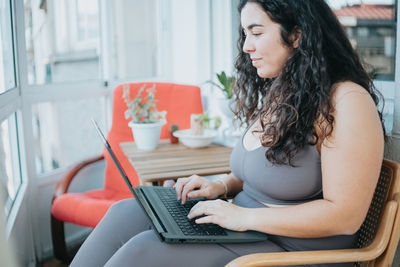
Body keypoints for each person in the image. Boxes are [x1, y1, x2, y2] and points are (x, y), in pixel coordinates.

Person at [70, 0, 385, 266]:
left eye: (256, 33)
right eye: (245, 33)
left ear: (297, 35)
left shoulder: (347, 101)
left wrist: (242, 217)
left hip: (293, 253)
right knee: (126, 212)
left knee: (143, 250)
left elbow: (345, 216)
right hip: (245, 230)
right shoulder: (285, 93)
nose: (246, 46)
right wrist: (219, 186)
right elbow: (271, 173)